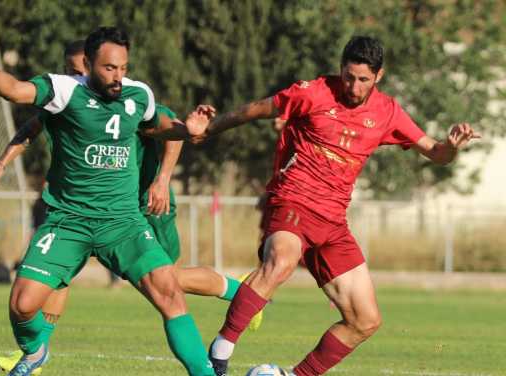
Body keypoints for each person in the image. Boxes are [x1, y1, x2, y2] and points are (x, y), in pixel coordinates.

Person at [190, 36, 480, 376]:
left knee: (365, 320)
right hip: (293, 200)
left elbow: (436, 153)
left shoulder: (388, 112)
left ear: (379, 76)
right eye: (348, 76)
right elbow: (254, 109)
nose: (353, 87)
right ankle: (219, 355)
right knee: (281, 261)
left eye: (363, 80)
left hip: (332, 222)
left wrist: (452, 145)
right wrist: (209, 129)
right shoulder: (312, 93)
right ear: (340, 68)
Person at [0, 38, 256, 375]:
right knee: (23, 304)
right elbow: (16, 93)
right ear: (89, 64)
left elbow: (166, 126)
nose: (117, 76)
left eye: (123, 68)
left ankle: (229, 328)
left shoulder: (138, 95)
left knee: (170, 287)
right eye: (110, 68)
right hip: (70, 220)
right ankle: (35, 352)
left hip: (129, 217)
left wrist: (184, 141)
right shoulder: (64, 92)